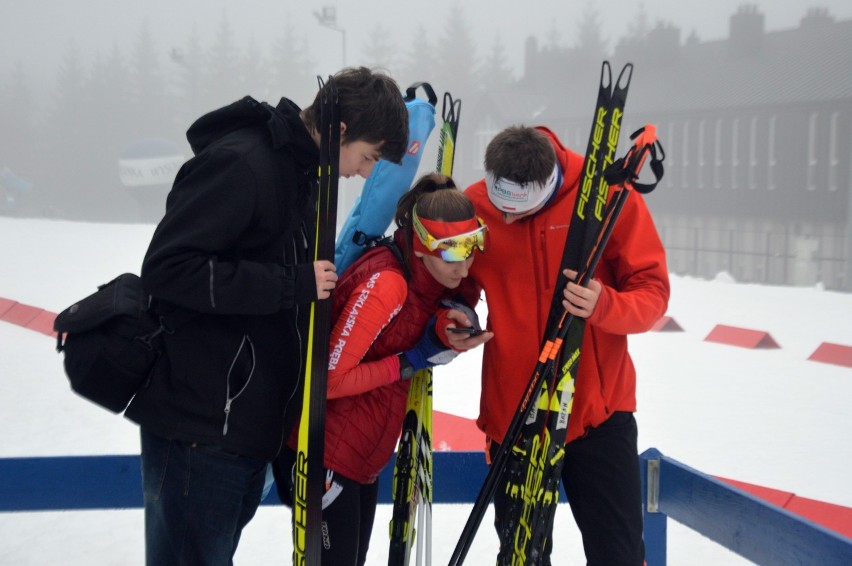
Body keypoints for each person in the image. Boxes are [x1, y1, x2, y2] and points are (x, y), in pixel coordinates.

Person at [123, 67, 409, 565]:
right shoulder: (244, 165)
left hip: (245, 425)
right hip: (201, 424)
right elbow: (168, 269)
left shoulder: (296, 174)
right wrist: (290, 285)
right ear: (340, 130)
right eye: (366, 157)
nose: (363, 173)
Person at [464, 125, 670, 565]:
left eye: (523, 209)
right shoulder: (476, 204)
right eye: (504, 208)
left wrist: (604, 304)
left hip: (598, 416)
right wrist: (453, 317)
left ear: (550, 181)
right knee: (522, 557)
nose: (511, 219)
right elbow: (455, 285)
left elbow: (653, 294)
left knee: (619, 556)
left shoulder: (608, 196)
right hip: (516, 418)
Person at [274, 173, 492, 566]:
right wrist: (410, 362)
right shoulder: (388, 284)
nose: (465, 266)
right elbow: (329, 380)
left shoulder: (427, 274)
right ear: (424, 247)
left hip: (360, 457)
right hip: (325, 454)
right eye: (453, 255)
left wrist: (450, 324)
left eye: (472, 249)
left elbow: (439, 304)